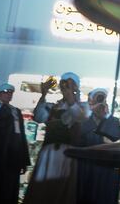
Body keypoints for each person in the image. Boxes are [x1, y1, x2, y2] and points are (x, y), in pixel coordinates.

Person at [24, 72, 89, 204]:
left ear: (76, 87)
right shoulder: (53, 106)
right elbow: (38, 117)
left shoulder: (83, 107)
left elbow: (79, 117)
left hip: (67, 153)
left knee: (62, 190)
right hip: (48, 152)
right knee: (42, 190)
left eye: (70, 83)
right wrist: (43, 94)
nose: (65, 87)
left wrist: (71, 95)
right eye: (63, 83)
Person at [76, 88, 120, 204]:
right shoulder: (82, 120)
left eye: (102, 98)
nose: (100, 102)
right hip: (85, 168)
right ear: (90, 101)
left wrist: (106, 117)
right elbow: (78, 136)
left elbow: (115, 136)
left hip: (105, 170)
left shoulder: (113, 121)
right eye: (97, 98)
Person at [0, 83, 31, 204]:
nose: (9, 94)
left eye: (11, 92)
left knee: (11, 187)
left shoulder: (16, 111)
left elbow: (21, 135)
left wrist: (24, 160)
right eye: (6, 91)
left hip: (14, 154)